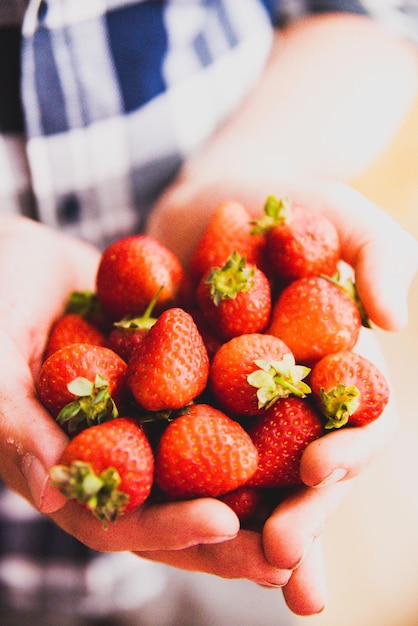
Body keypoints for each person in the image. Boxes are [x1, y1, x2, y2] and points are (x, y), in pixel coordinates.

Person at [0, 0, 417, 624]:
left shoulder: (198, 357)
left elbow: (376, 18)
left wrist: (251, 164)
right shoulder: (162, 360)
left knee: (258, 561)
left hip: (230, 545)